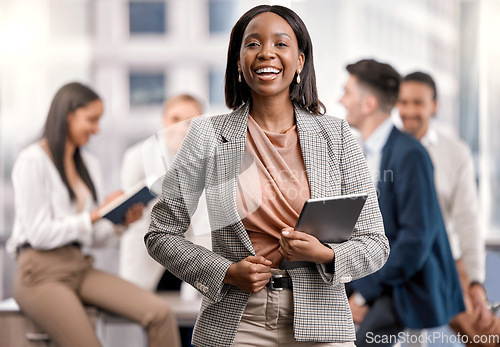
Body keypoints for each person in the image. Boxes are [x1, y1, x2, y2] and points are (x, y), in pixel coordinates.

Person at [145, 5, 389, 347]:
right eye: (253, 43)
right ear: (238, 62)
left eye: (281, 43)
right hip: (238, 319)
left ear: (300, 61)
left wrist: (326, 254)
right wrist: (225, 271)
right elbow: (160, 234)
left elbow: (376, 244)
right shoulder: (206, 135)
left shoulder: (337, 135)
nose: (266, 53)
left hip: (322, 320)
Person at [6, 82, 180, 347]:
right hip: (39, 274)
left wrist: (120, 223)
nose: (96, 129)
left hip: (79, 265)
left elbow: (93, 238)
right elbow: (39, 235)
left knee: (159, 314)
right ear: (68, 114)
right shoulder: (32, 161)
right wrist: (95, 215)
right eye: (92, 120)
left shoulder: (89, 164)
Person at [340, 59, 465, 347]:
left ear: (368, 103)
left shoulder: (410, 154)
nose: (341, 100)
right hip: (376, 278)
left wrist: (362, 295)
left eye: (347, 92)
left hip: (404, 286)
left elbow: (414, 240)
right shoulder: (365, 151)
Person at [398, 72, 500, 346]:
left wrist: (476, 280)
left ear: (435, 105)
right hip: (398, 259)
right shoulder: (382, 150)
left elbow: (468, 220)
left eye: (418, 103)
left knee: (487, 332)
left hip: (445, 263)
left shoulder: (455, 152)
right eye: (403, 102)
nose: (409, 110)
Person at [119, 94, 210, 292]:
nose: (181, 127)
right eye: (175, 119)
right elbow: (133, 217)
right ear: (163, 120)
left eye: (191, 121)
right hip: (148, 253)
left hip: (191, 254)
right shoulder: (137, 157)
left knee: (189, 317)